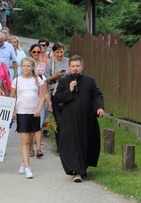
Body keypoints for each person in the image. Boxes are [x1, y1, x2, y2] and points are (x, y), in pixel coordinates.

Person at [54, 55, 105, 183]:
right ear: (69, 68)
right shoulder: (64, 81)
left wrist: (99, 107)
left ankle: (82, 168)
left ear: (82, 67)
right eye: (73, 66)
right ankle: (77, 171)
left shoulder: (90, 81)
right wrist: (69, 90)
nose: (75, 69)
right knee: (71, 145)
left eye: (77, 66)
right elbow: (58, 98)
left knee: (85, 143)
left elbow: (97, 95)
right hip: (69, 119)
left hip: (86, 119)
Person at [10, 57, 46, 179]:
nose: (26, 68)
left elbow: (42, 97)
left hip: (34, 112)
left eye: (28, 66)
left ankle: (23, 162)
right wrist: (13, 111)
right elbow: (12, 97)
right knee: (25, 140)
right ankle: (27, 168)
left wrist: (38, 109)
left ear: (32, 68)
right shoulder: (16, 81)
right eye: (24, 66)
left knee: (30, 139)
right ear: (21, 67)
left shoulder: (37, 80)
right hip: (22, 112)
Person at [44, 42, 69, 148]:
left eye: (61, 52)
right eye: (57, 52)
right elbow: (46, 79)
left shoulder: (68, 61)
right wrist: (56, 76)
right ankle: (60, 145)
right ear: (53, 52)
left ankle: (68, 143)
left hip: (67, 92)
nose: (60, 54)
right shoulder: (50, 63)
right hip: (55, 92)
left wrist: (68, 74)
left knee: (67, 119)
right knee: (58, 119)